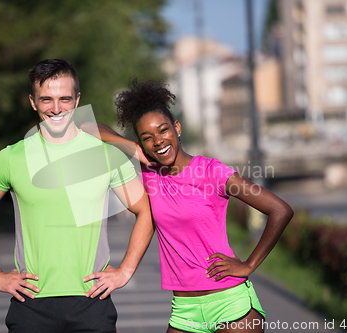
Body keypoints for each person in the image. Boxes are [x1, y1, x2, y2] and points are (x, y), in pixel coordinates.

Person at [0, 60, 154, 333]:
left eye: (65, 99)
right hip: (31, 305)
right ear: (32, 102)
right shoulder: (11, 158)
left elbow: (146, 212)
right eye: (46, 99)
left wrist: (125, 271)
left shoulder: (106, 156)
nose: (57, 108)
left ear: (77, 100)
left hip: (92, 303)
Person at [81, 78, 294, 333]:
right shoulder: (151, 171)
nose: (158, 141)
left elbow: (280, 210)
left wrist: (249, 265)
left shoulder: (212, 172)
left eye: (163, 130)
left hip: (230, 304)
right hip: (184, 308)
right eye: (147, 137)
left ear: (177, 127)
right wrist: (134, 150)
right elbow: (87, 127)